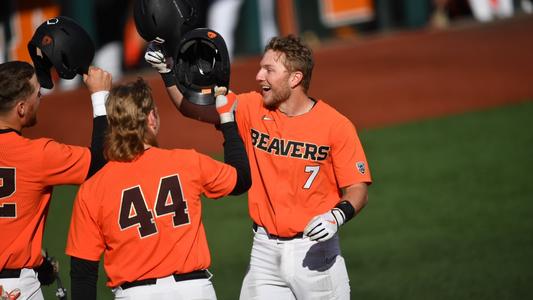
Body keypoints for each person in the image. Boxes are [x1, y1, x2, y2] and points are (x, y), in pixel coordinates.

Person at [146, 34, 372, 299]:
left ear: (295, 78)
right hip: (264, 252)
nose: (258, 76)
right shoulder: (251, 108)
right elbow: (191, 108)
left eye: (269, 70)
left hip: (315, 253)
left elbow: (358, 188)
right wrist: (168, 73)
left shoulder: (336, 126)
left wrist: (337, 215)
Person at [65, 78, 251, 300]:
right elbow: (241, 179)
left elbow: (83, 274)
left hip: (136, 295)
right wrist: (228, 121)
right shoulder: (186, 162)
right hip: (193, 291)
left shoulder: (92, 189)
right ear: (151, 117)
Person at [0, 61, 110, 299]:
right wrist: (100, 97)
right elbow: (100, 162)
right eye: (37, 93)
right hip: (15, 289)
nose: (41, 98)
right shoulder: (38, 155)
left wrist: (38, 263)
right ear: (21, 108)